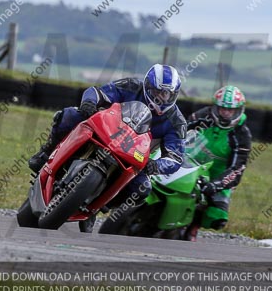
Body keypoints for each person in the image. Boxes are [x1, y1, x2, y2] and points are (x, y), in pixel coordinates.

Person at [28, 64, 186, 210]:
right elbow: (99, 92)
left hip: (135, 156)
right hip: (105, 129)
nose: (161, 98)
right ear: (147, 86)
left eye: (166, 94)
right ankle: (45, 153)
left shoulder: (177, 122)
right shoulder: (131, 85)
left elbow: (175, 157)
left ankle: (100, 207)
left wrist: (156, 166)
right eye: (157, 91)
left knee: (142, 189)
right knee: (70, 115)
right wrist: (89, 103)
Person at [184, 85, 251, 239]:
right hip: (190, 161)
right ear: (215, 108)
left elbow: (237, 169)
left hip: (218, 175)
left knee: (217, 217)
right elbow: (180, 130)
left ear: (238, 110)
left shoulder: (242, 135)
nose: (226, 113)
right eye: (222, 109)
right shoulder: (204, 116)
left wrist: (215, 185)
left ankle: (192, 228)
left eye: (230, 110)